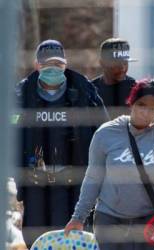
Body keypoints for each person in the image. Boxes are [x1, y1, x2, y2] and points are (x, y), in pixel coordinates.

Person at [65, 79, 154, 250]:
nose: (145, 112)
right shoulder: (106, 133)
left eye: (152, 109)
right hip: (109, 221)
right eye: (141, 105)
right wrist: (78, 217)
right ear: (131, 103)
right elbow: (93, 178)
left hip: (149, 221)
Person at [15, 39, 109, 247]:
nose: (53, 69)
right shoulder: (21, 95)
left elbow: (104, 132)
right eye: (47, 64)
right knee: (36, 239)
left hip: (74, 182)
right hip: (35, 182)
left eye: (58, 64)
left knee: (74, 238)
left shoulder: (83, 91)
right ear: (37, 65)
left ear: (65, 64)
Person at [92, 37, 137, 119]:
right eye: (117, 64)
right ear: (102, 63)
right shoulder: (91, 90)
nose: (123, 68)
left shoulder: (137, 89)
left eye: (125, 63)